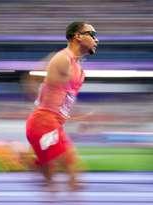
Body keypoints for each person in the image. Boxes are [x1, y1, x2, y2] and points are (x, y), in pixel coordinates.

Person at [26, 21, 98, 191]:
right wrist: (41, 105)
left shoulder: (79, 70)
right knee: (73, 171)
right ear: (78, 36)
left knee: (51, 180)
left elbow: (67, 97)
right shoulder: (62, 58)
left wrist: (77, 116)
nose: (96, 40)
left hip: (52, 124)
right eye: (92, 35)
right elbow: (31, 79)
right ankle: (29, 158)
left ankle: (31, 160)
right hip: (44, 122)